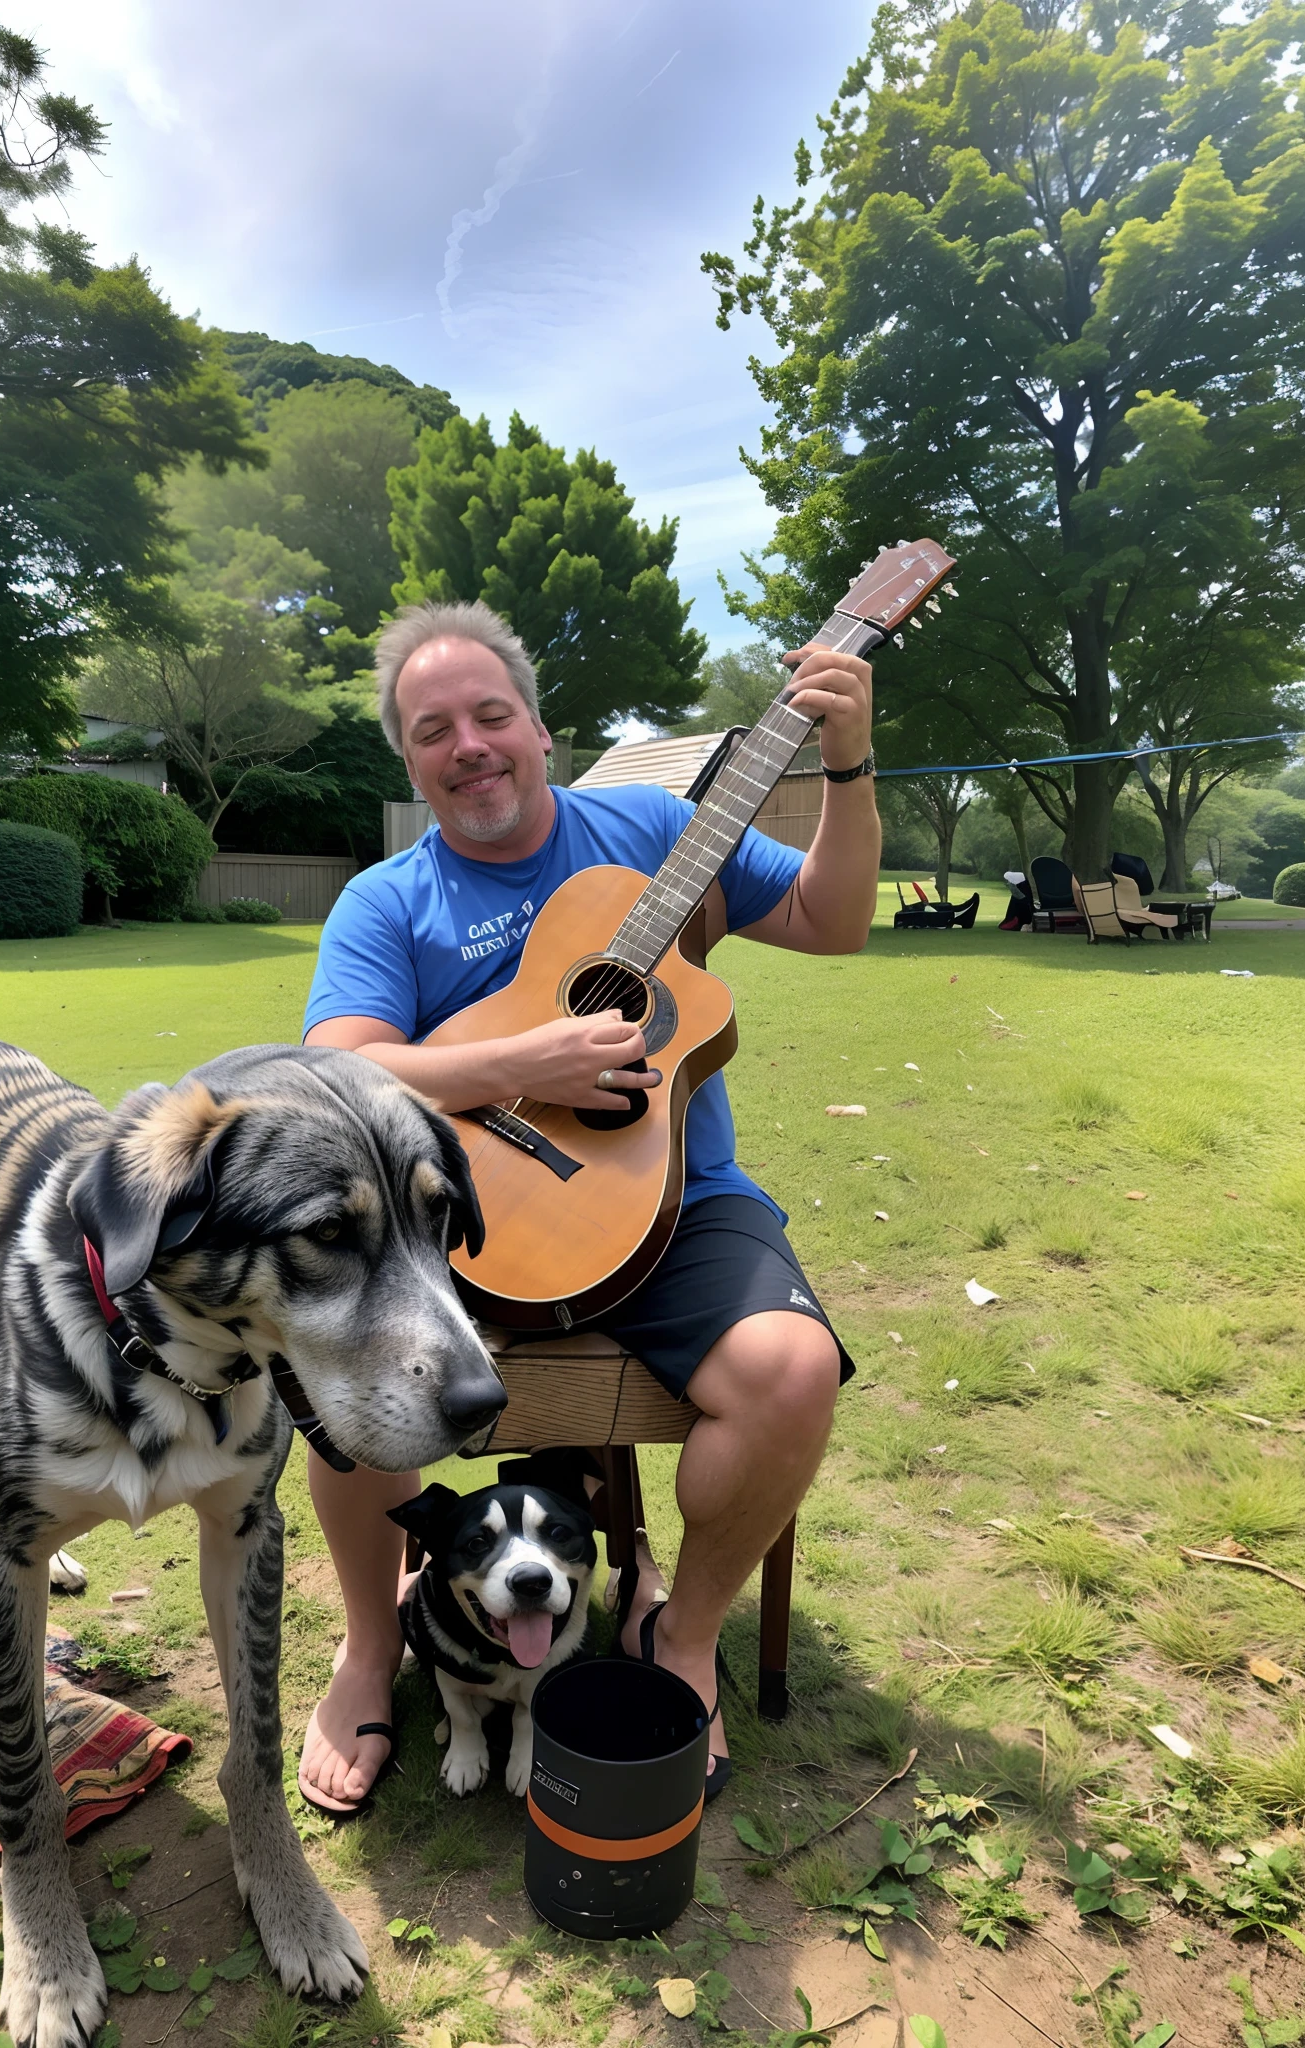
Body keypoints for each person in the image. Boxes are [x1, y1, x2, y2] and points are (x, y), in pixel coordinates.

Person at [297, 599, 880, 1813]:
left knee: (793, 1369)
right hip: (459, 1210)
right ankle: (369, 1641)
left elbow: (834, 921)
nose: (468, 744)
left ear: (541, 728)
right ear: (409, 758)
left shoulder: (657, 831)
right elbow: (346, 1066)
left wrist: (847, 762)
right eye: (433, 728)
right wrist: (526, 1064)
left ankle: (677, 1639)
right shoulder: (387, 899)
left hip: (673, 1203)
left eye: (490, 714)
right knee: (346, 1374)